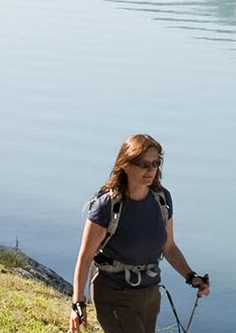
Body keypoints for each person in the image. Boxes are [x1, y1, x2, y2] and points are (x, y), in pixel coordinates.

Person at [69, 134, 209, 333]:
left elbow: (169, 247)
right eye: (144, 164)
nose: (151, 170)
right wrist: (78, 303)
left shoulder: (162, 199)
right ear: (126, 165)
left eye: (156, 163)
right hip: (114, 294)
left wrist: (191, 276)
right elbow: (84, 258)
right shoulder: (107, 206)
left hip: (149, 296)